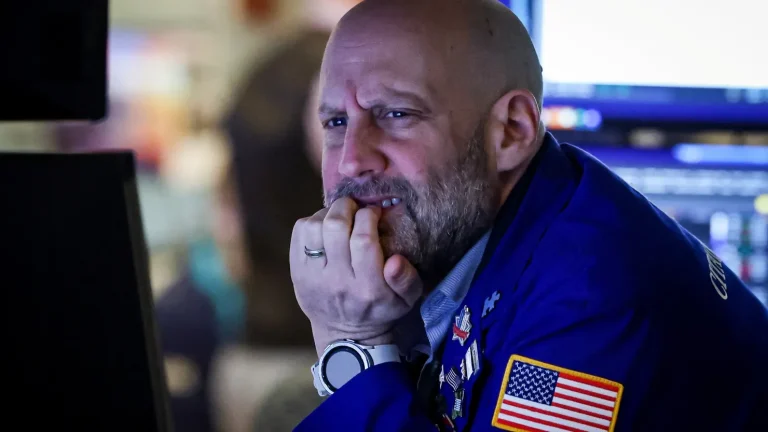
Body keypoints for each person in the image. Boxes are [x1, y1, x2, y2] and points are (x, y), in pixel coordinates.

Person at [288, 0, 768, 431]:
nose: (351, 160)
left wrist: (352, 339)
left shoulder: (590, 300)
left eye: (396, 115)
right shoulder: (516, 215)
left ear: (512, 131)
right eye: (336, 122)